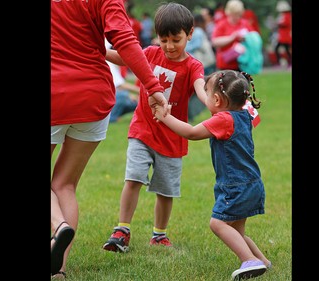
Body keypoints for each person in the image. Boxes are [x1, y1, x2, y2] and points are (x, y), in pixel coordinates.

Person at [51, 0, 168, 278]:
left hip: (55, 92)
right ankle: (59, 269)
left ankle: (58, 227)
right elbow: (125, 39)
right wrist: (152, 86)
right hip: (94, 96)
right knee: (64, 184)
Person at [102, 2, 207, 252]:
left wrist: (211, 103)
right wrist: (99, 49)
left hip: (173, 138)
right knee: (133, 178)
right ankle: (122, 229)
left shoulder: (193, 66)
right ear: (156, 37)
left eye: (176, 39)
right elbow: (124, 55)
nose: (169, 46)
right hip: (142, 130)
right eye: (164, 39)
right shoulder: (149, 53)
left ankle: (159, 234)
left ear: (190, 34)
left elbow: (201, 87)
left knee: (165, 190)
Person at [153, 70, 271, 280]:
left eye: (207, 94)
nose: (204, 97)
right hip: (252, 182)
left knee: (217, 224)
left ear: (217, 99)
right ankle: (262, 261)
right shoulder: (245, 113)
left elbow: (190, 133)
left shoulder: (223, 120)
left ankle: (249, 261)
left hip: (235, 186)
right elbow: (222, 99)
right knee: (236, 231)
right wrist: (202, 83)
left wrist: (165, 117)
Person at [185, 13, 216, 122]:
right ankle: (189, 114)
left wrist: (182, 45)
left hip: (205, 65)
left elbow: (196, 45)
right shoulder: (200, 32)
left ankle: (190, 114)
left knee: (199, 91)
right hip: (207, 64)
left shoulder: (197, 31)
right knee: (198, 91)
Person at [211, 0, 254, 72]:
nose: (237, 17)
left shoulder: (245, 23)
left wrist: (246, 39)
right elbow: (215, 42)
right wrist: (232, 38)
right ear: (229, 12)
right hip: (225, 65)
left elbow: (254, 39)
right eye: (234, 14)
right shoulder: (221, 24)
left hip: (242, 64)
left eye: (239, 14)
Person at [105, 41, 139, 123]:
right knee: (122, 95)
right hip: (107, 98)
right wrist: (144, 91)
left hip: (109, 96)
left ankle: (113, 115)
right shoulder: (109, 63)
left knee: (133, 101)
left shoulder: (114, 65)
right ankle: (111, 118)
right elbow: (120, 86)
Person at [274, 0, 292, 67]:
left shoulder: (287, 15)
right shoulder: (282, 15)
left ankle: (289, 62)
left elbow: (286, 23)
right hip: (282, 36)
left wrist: (279, 23)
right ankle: (279, 62)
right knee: (277, 49)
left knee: (287, 50)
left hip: (286, 36)